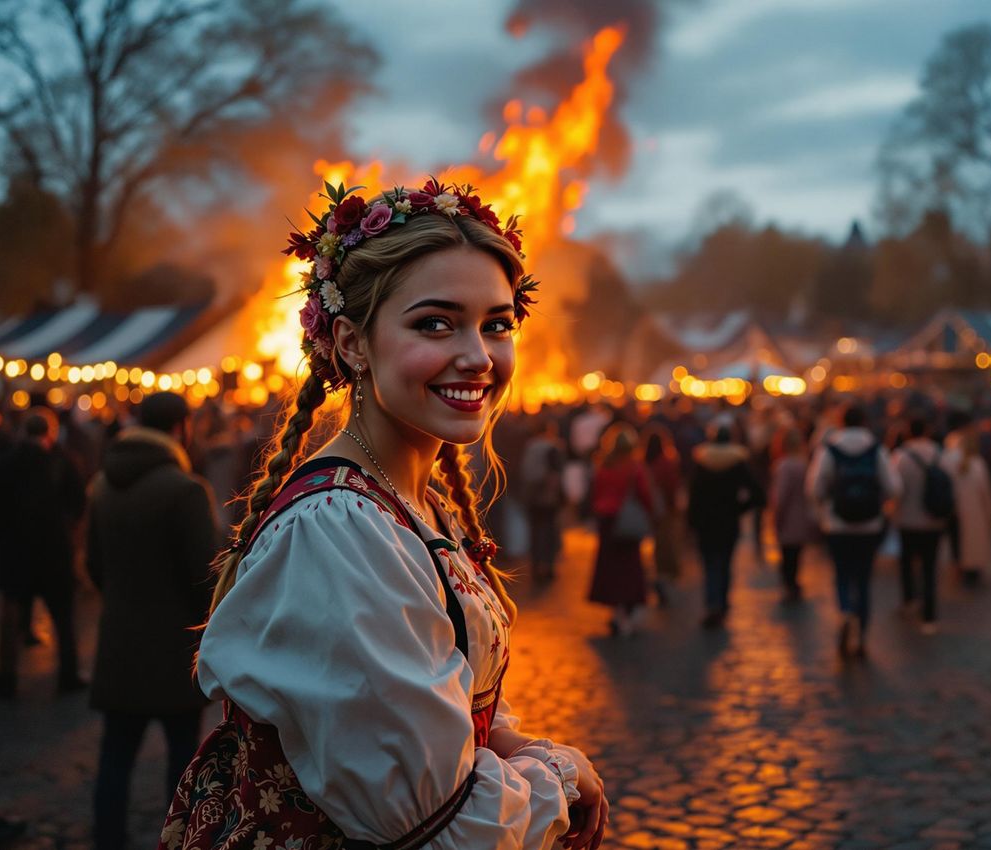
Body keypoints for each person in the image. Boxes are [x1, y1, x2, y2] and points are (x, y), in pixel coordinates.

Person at [160, 179, 607, 850]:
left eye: (497, 323)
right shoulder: (340, 528)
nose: (479, 356)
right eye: (435, 322)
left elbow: (444, 694)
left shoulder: (406, 500)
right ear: (352, 342)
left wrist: (513, 741)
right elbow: (440, 827)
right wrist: (558, 772)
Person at [86, 391, 219, 850]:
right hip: (172, 651)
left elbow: (93, 566)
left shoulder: (102, 483)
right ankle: (180, 842)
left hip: (119, 645)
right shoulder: (185, 489)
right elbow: (206, 578)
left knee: (115, 757)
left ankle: (107, 840)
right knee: (184, 763)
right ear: (181, 427)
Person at [0, 408, 87, 697]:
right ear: (49, 432)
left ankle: (6, 678)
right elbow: (78, 503)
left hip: (15, 551)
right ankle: (68, 674)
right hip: (54, 550)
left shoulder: (6, 463)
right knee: (63, 617)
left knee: (9, 620)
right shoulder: (62, 461)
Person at [806, 405, 900, 655]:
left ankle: (845, 610)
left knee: (842, 574)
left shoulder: (829, 449)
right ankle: (862, 635)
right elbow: (893, 487)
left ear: (841, 422)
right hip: (870, 525)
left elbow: (814, 488)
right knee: (864, 579)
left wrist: (827, 503)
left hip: (837, 524)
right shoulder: (876, 449)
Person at [687, 423, 763, 628]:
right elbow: (758, 494)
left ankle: (713, 603)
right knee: (725, 564)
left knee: (710, 564)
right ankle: (721, 603)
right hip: (728, 521)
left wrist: (691, 522)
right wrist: (740, 508)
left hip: (705, 522)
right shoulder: (737, 462)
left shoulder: (702, 462)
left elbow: (693, 496)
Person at [588, 422, 654, 636]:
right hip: (625, 521)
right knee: (629, 567)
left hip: (606, 519)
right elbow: (644, 494)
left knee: (610, 567)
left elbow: (596, 491)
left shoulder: (603, 465)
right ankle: (625, 616)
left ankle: (616, 613)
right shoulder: (634, 466)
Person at [892, 416, 950, 634]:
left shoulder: (900, 457)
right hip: (933, 520)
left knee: (906, 561)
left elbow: (894, 489)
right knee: (929, 566)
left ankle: (909, 599)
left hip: (907, 520)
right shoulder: (938, 453)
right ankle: (929, 614)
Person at [941, 418, 991, 586]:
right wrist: (990, 512)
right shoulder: (977, 464)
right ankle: (971, 571)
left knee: (956, 542)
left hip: (953, 511)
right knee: (972, 543)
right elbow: (986, 491)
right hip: (974, 512)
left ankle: (957, 567)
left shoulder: (946, 461)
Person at [518, 418, 566, 582]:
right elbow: (556, 474)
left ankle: (535, 565)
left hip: (531, 496)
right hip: (547, 497)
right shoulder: (553, 447)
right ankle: (548, 566)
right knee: (549, 532)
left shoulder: (529, 446)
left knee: (535, 531)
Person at [771, 426, 815, 603]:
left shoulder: (784, 466)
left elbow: (781, 497)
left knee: (787, 556)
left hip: (788, 518)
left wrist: (776, 517)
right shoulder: (804, 464)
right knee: (796, 555)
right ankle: (795, 585)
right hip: (802, 516)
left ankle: (790, 587)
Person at [642, 423, 684, 606]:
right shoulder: (666, 463)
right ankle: (661, 578)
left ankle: (653, 577)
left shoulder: (643, 463)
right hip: (664, 510)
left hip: (649, 510)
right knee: (664, 545)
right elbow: (672, 487)